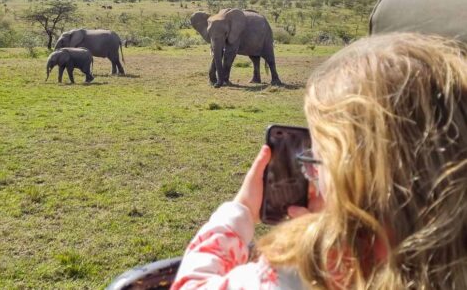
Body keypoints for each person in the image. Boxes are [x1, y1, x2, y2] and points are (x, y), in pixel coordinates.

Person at [172, 33, 467, 289]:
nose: (310, 169)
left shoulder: (304, 272)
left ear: (347, 172)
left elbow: (191, 284)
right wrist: (336, 214)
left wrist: (243, 211)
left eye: (318, 157)